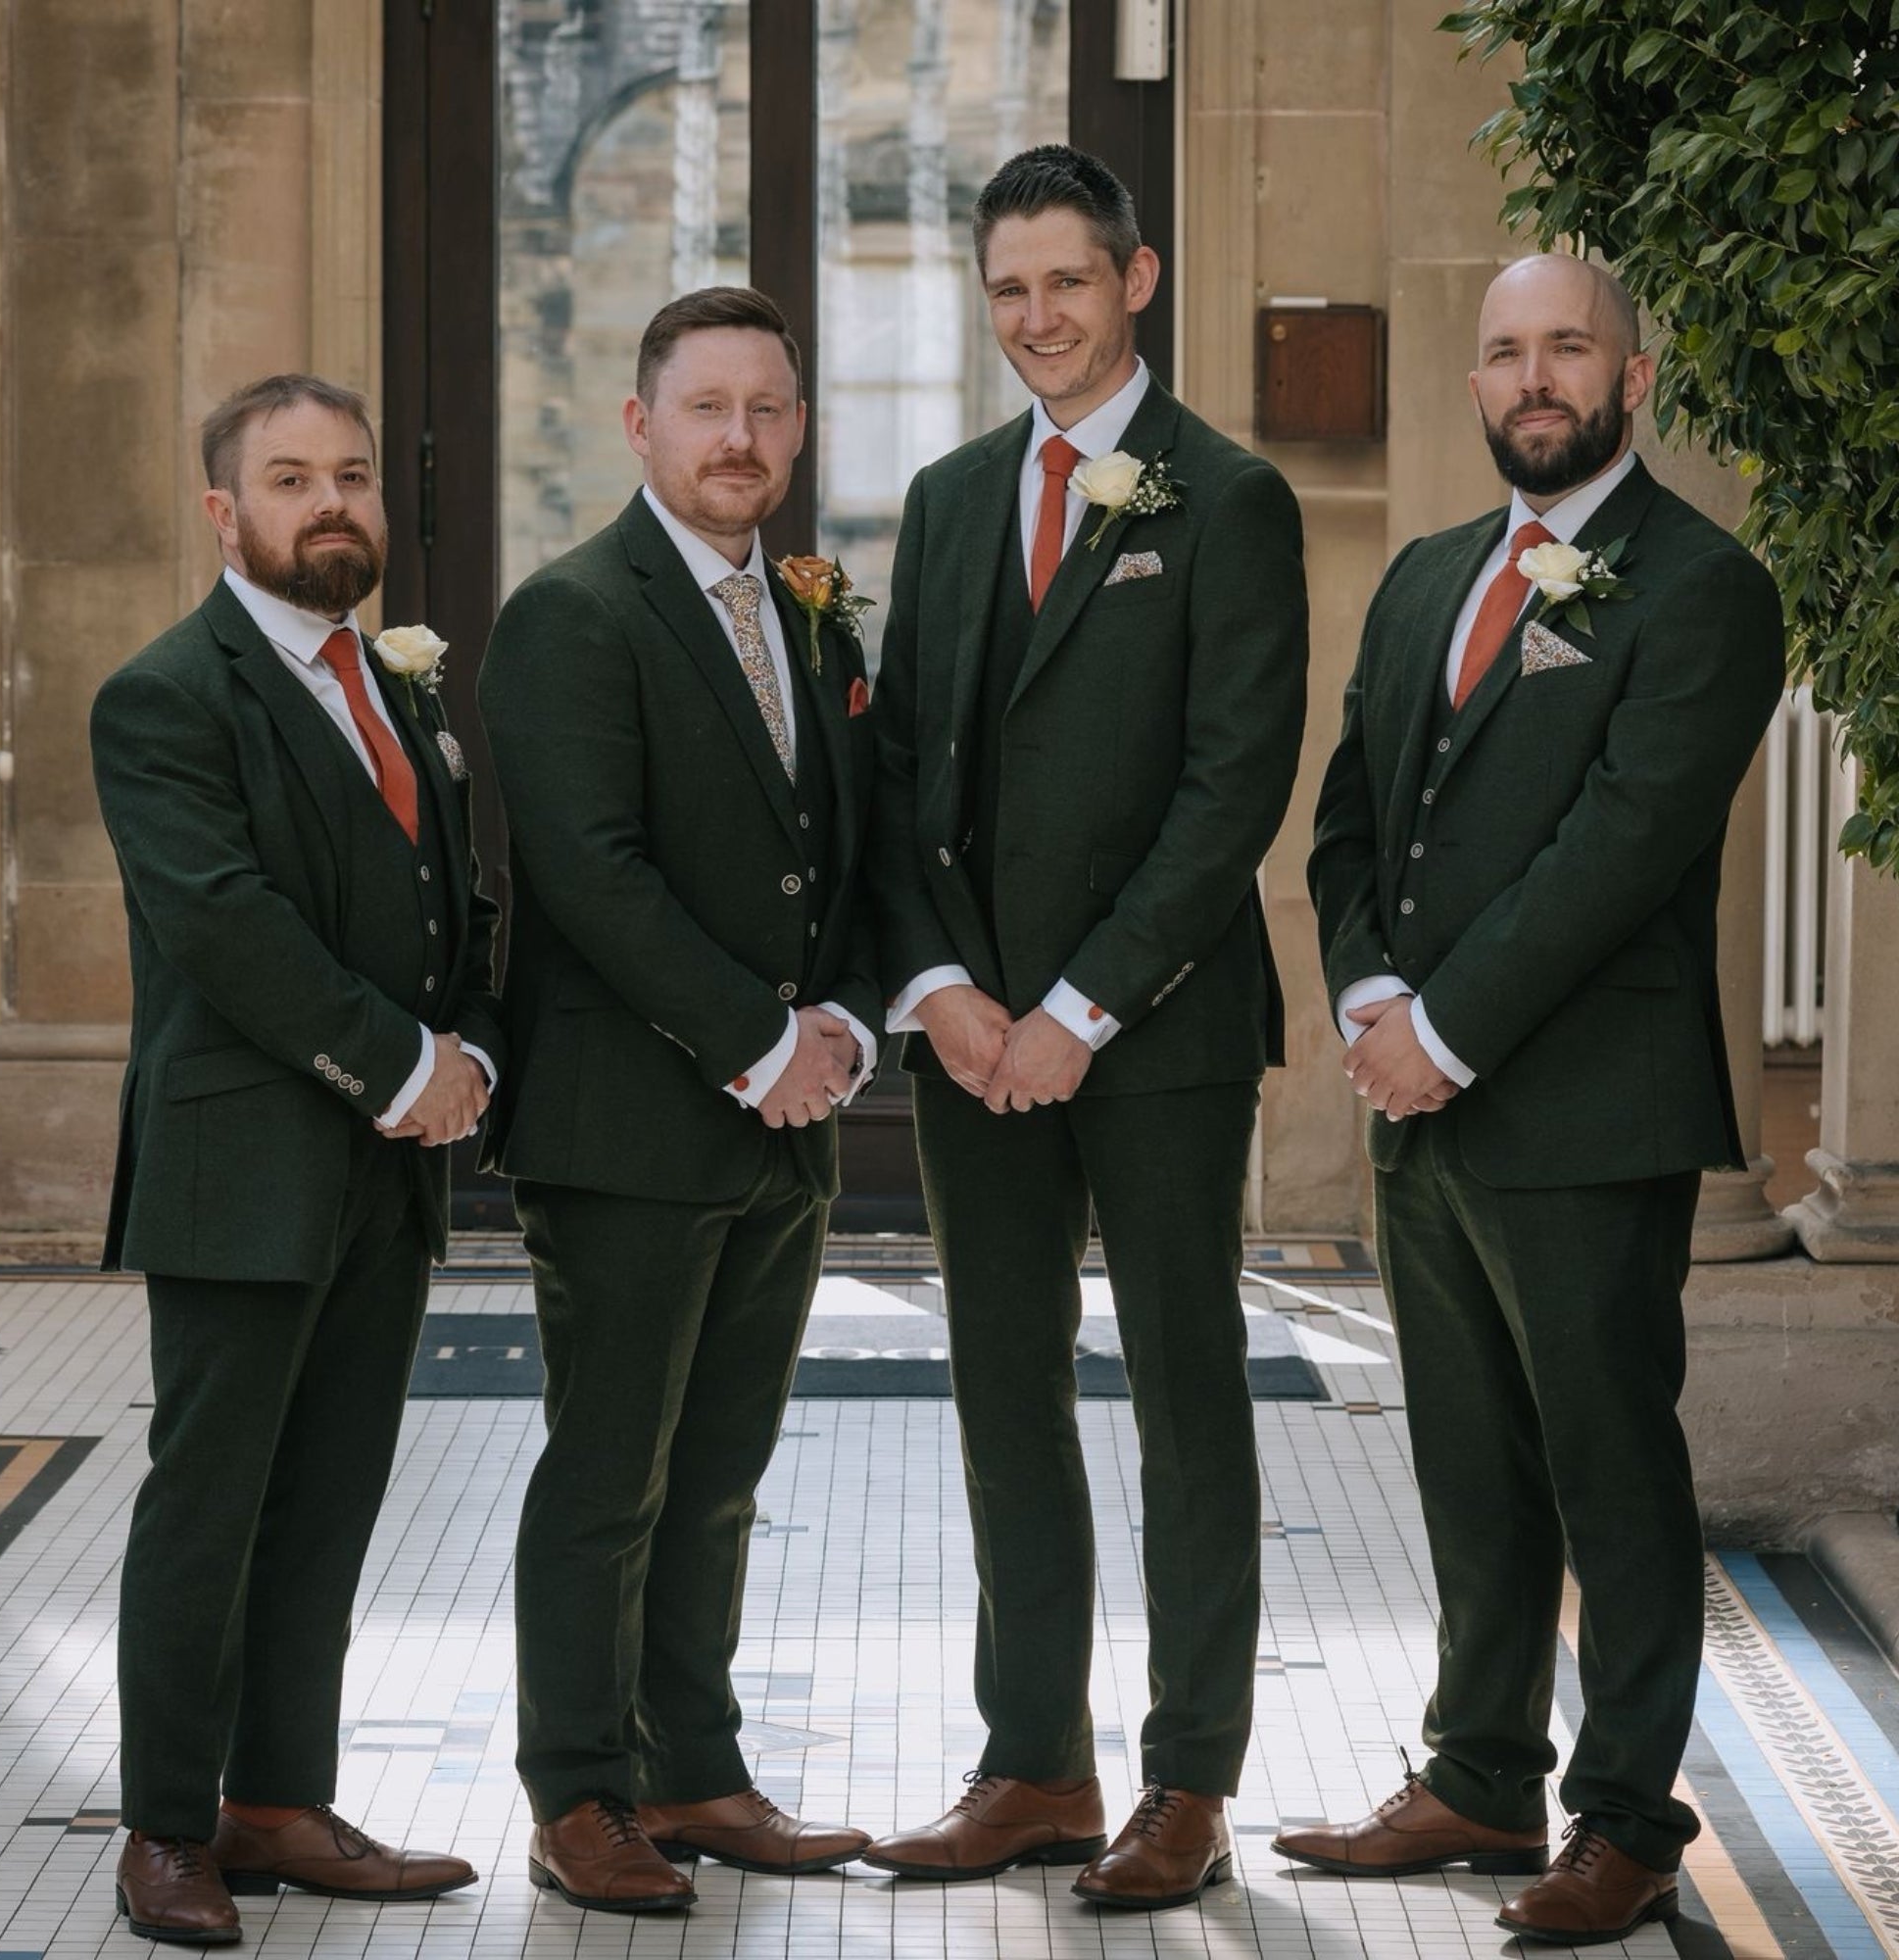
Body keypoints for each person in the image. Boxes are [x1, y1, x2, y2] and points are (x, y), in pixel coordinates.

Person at [1290, 252, 1784, 1943]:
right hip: (1419, 1098)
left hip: (1586, 1110)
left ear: (1631, 377)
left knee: (1607, 1470)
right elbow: (1353, 813)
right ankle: (1482, 1777)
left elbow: (1620, 850)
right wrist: (1371, 997)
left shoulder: (1701, 587)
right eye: (1505, 353)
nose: (1534, 378)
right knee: (1470, 1466)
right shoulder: (1430, 576)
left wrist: (1450, 1027)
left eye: (1567, 346)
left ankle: (1631, 1815)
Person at [861, 145, 1308, 1912]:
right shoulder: (955, 495)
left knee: (1193, 1400)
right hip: (973, 1043)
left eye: (1067, 280)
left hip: (1161, 1032)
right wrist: (952, 997)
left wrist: (1079, 1008)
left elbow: (1231, 790)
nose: (1037, 317)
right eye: (1008, 290)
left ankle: (1189, 1779)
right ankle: (1036, 1764)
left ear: (1134, 280)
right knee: (1001, 1392)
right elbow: (901, 773)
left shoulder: (1230, 495)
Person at [477, 287, 882, 1915]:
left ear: (797, 427)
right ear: (641, 427)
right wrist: (755, 1039)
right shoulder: (571, 613)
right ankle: (577, 1790)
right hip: (631, 1131)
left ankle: (694, 1770)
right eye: (707, 407)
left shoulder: (817, 610)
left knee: (719, 1472)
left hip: (783, 1137)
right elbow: (589, 872)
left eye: (769, 409)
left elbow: (850, 843)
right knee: (611, 1474)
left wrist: (843, 1018)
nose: (741, 438)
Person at [91, 374, 502, 1943]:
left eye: (349, 477)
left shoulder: (391, 684)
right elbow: (230, 932)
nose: (328, 504)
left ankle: (278, 1802)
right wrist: (406, 1067)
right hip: (241, 1168)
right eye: (287, 480)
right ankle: (167, 1827)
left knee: (329, 1501)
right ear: (223, 512)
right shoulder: (164, 696)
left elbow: (447, 903)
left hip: (384, 1177)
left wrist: (474, 1053)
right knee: (211, 1505)